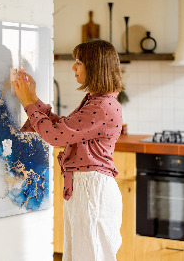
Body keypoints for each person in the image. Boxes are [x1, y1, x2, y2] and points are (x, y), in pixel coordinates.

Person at [11, 39, 124, 261]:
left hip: (92, 191)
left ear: (95, 67)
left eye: (79, 62)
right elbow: (63, 128)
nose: (73, 67)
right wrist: (33, 98)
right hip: (86, 189)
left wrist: (27, 103)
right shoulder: (97, 101)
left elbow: (55, 136)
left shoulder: (101, 106)